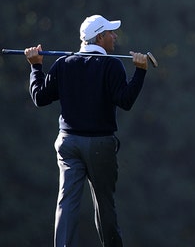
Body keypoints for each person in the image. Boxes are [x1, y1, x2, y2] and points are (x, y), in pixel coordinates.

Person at [24, 15, 149, 247]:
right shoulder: (111, 65)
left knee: (66, 203)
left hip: (68, 143)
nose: (115, 36)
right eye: (111, 33)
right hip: (100, 144)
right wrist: (140, 71)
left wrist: (36, 67)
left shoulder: (64, 63)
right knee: (104, 204)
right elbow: (126, 100)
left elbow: (40, 97)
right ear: (100, 37)